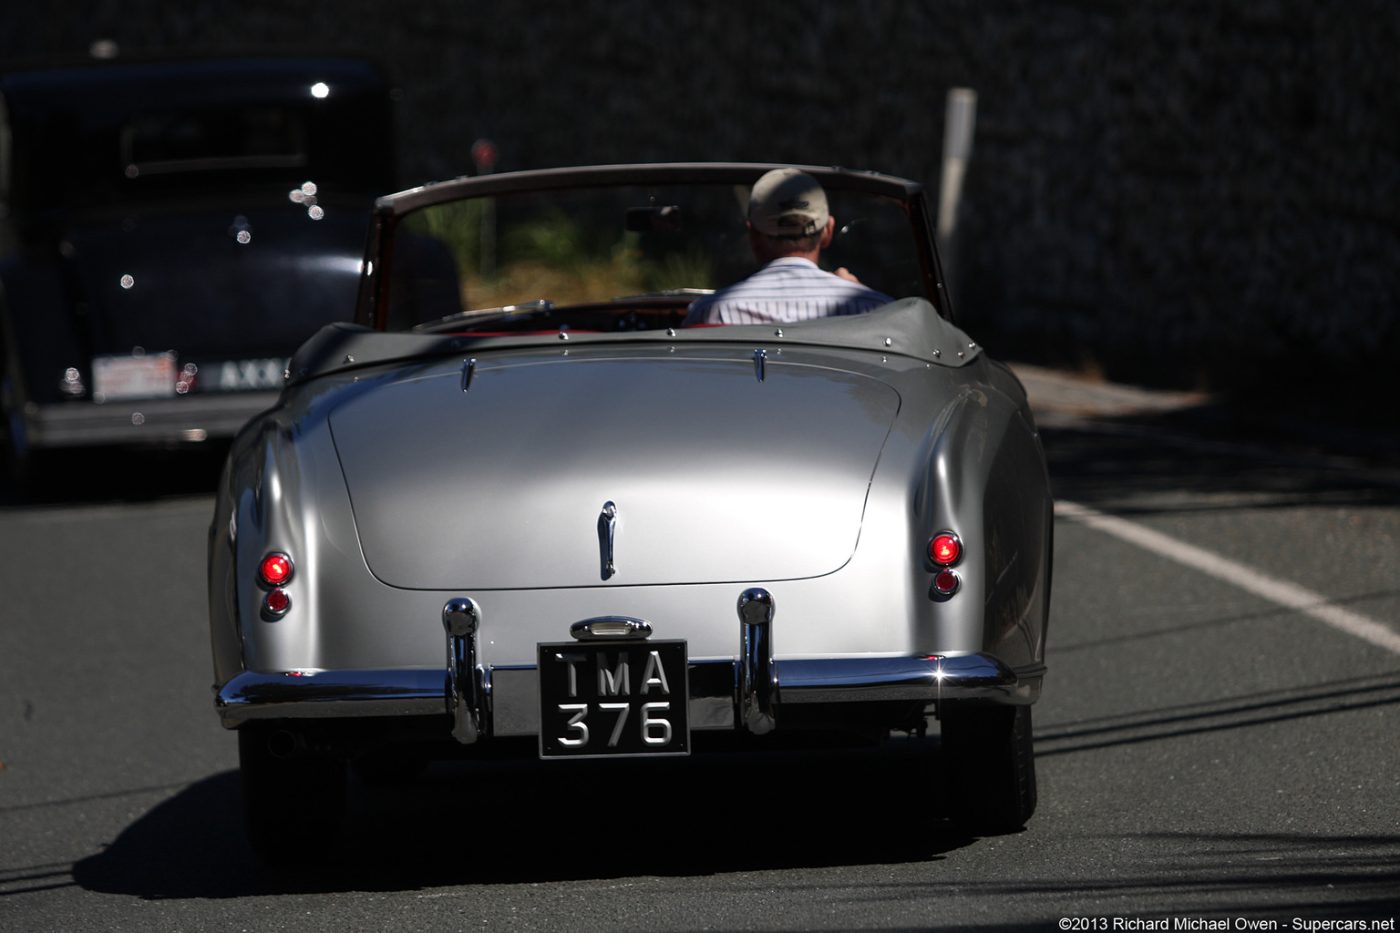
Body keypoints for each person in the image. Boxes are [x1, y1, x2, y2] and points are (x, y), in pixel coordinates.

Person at [683, 168, 892, 326]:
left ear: (753, 235)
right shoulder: (875, 310)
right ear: (828, 231)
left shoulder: (712, 311)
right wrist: (856, 290)